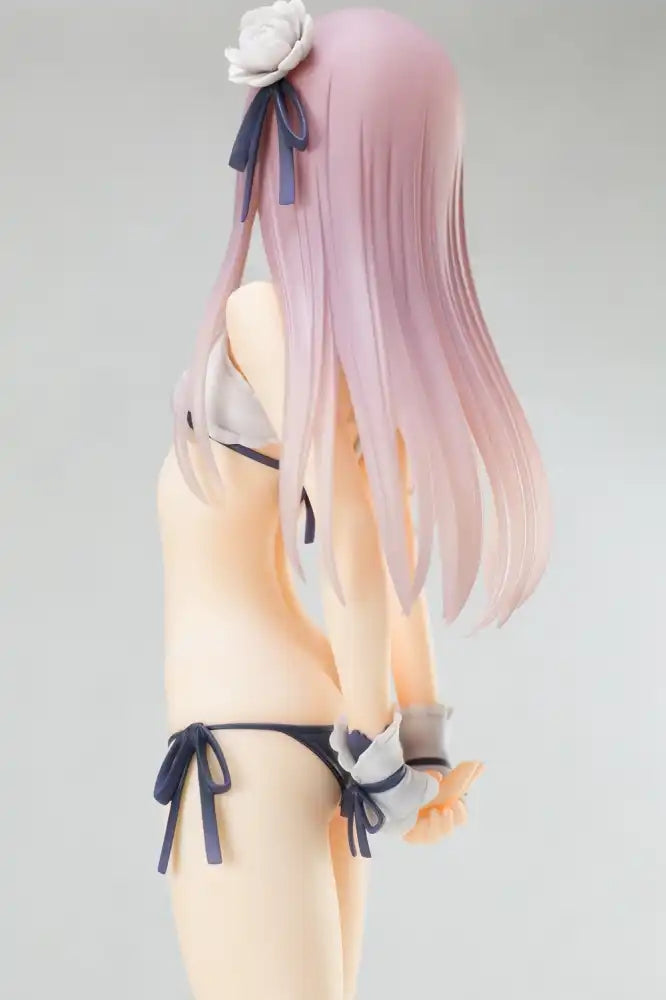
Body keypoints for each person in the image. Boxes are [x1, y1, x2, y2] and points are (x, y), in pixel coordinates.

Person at [154, 4, 551, 998]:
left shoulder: (265, 315)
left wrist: (379, 746)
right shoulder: (360, 348)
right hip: (305, 730)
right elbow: (384, 537)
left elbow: (358, 536)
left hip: (246, 737)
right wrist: (412, 738)